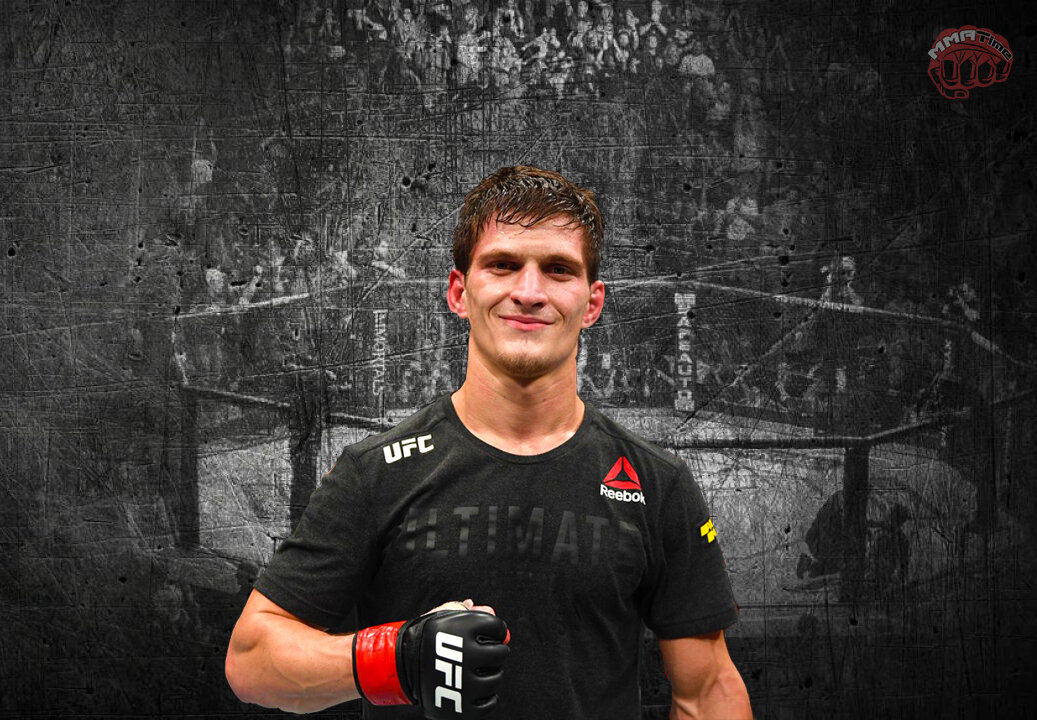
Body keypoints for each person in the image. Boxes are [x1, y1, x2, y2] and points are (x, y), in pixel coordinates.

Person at [225, 166, 752, 719]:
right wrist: (397, 660)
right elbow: (251, 659)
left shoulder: (658, 485)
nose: (529, 292)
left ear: (593, 302)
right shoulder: (375, 473)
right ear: (459, 292)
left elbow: (706, 692)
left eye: (558, 270)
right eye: (503, 265)